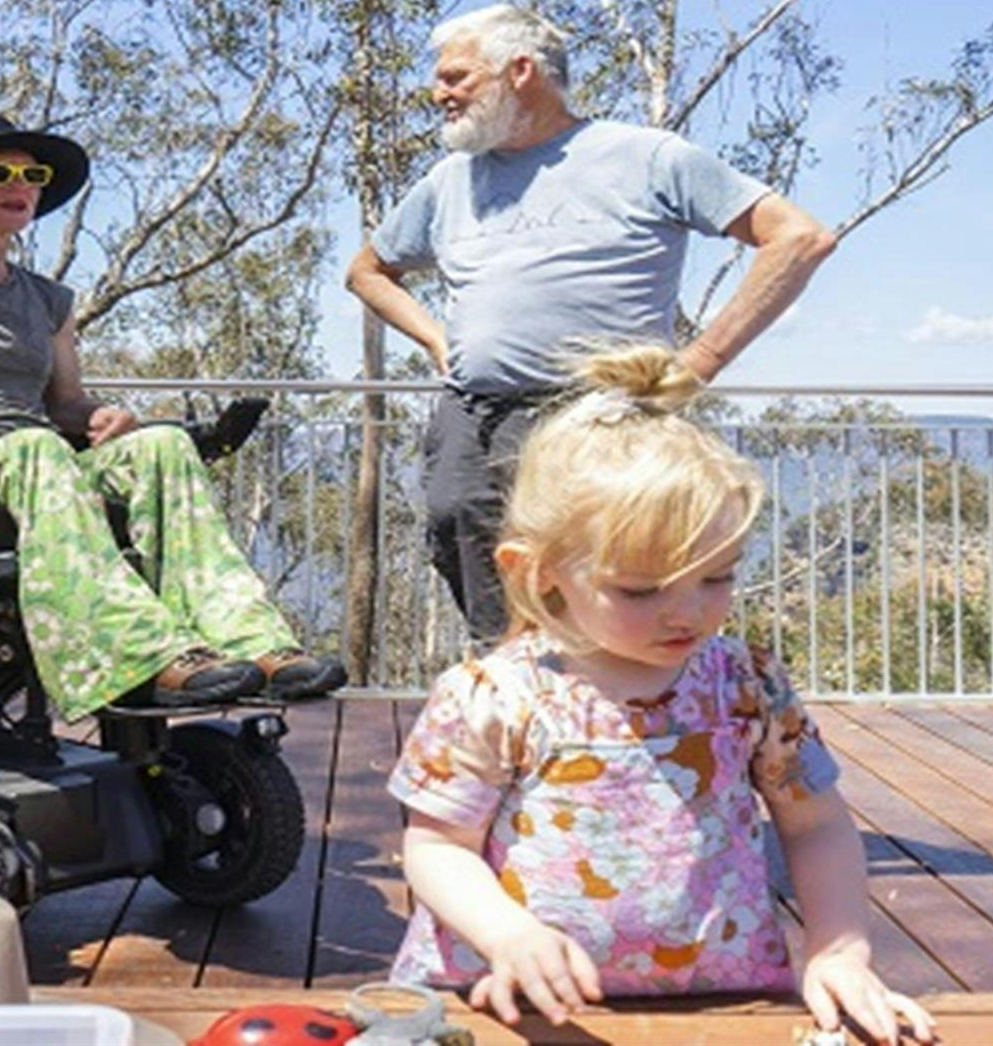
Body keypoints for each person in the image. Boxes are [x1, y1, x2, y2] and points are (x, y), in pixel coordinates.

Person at [386, 345, 932, 1045]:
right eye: (640, 589)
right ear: (540, 570)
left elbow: (815, 822)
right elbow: (436, 846)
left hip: (725, 1006)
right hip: (508, 1005)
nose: (689, 613)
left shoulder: (746, 683)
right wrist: (509, 935)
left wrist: (838, 949)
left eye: (719, 577)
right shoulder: (492, 695)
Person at [0, 115, 345, 718]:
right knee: (34, 450)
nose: (21, 186)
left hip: (25, 468)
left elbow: (65, 404)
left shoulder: (47, 300)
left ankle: (251, 642)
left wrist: (104, 417)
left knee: (161, 446)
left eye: (32, 175)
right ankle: (139, 655)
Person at [346, 3, 834, 644]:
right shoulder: (449, 181)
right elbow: (368, 271)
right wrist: (440, 341)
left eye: (457, 77)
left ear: (520, 71)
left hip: (601, 415)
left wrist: (702, 361)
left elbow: (798, 238)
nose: (439, 93)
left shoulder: (647, 157)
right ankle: (517, 702)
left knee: (605, 577)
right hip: (475, 412)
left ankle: (615, 719)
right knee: (460, 531)